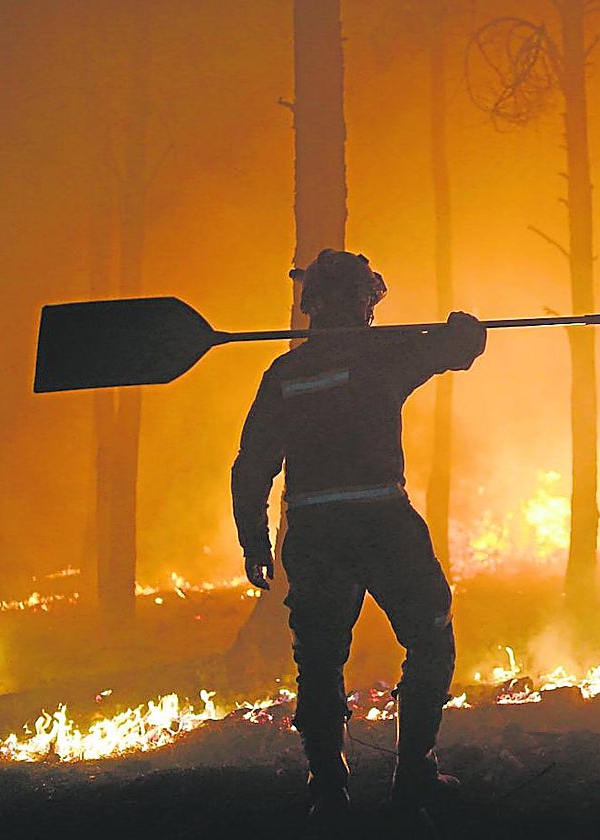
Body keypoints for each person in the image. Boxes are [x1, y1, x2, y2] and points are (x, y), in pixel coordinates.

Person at [230, 248, 487, 832]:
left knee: (318, 661)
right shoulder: (383, 357)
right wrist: (463, 331)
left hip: (314, 531)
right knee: (431, 636)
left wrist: (253, 540)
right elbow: (460, 349)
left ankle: (327, 792)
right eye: (365, 300)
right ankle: (414, 779)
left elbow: (252, 466)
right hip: (381, 522)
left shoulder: (286, 375)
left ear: (310, 306)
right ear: (365, 304)